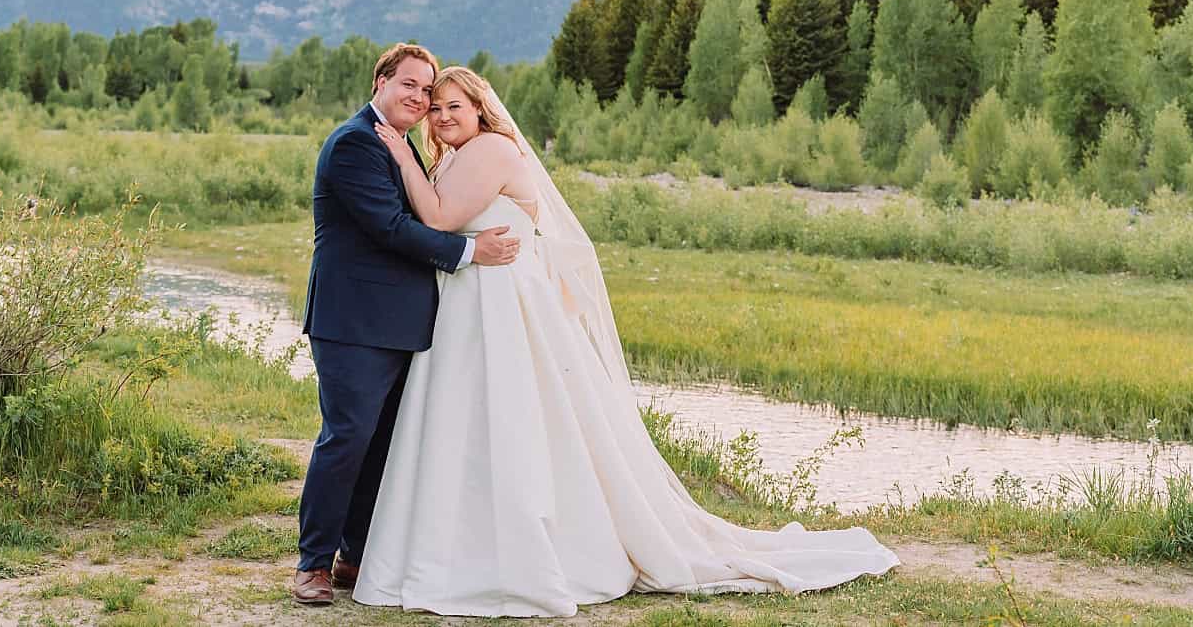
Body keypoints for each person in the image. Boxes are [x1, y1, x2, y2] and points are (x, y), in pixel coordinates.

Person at [353, 66, 898, 617]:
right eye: (437, 106)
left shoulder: (493, 149)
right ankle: (456, 549)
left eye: (455, 107)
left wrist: (400, 154)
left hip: (505, 307)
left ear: (479, 109)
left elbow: (440, 216)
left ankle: (529, 553)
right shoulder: (456, 156)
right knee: (466, 425)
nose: (443, 116)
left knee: (517, 421)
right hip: (470, 305)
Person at [291, 45, 521, 606]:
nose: (420, 99)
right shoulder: (354, 144)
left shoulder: (403, 146)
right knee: (346, 440)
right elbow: (392, 228)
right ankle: (312, 565)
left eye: (428, 90)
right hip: (353, 323)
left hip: (404, 325)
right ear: (381, 82)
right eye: (410, 86)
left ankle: (356, 556)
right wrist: (469, 252)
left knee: (384, 446)